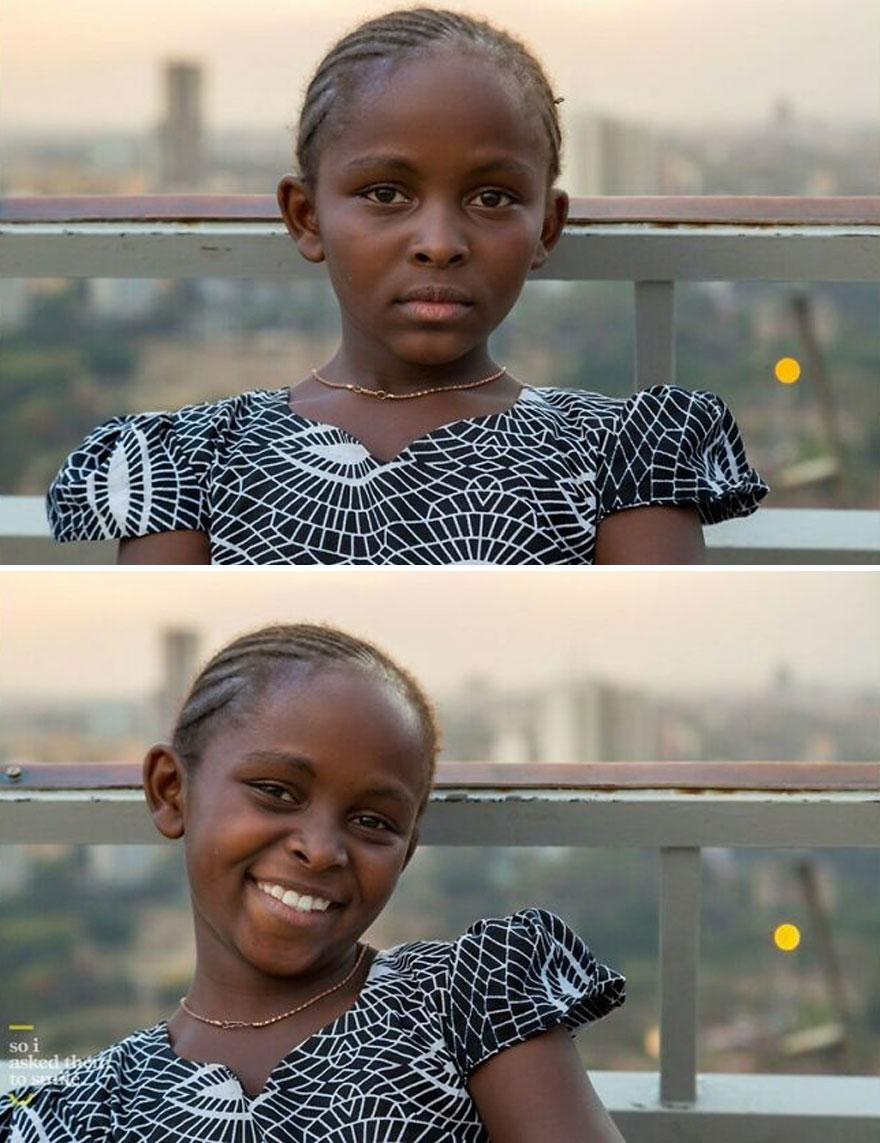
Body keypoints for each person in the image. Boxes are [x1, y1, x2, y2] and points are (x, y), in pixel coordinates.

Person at [47, 8, 766, 564]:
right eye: (387, 193)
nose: (440, 244)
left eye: (491, 199)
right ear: (306, 216)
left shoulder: (623, 454)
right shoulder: (189, 460)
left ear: (547, 227)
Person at [2, 623, 626, 1142]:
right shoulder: (76, 1114)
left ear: (405, 851)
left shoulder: (469, 1004)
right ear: (172, 792)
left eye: (372, 821)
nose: (321, 849)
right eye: (276, 792)